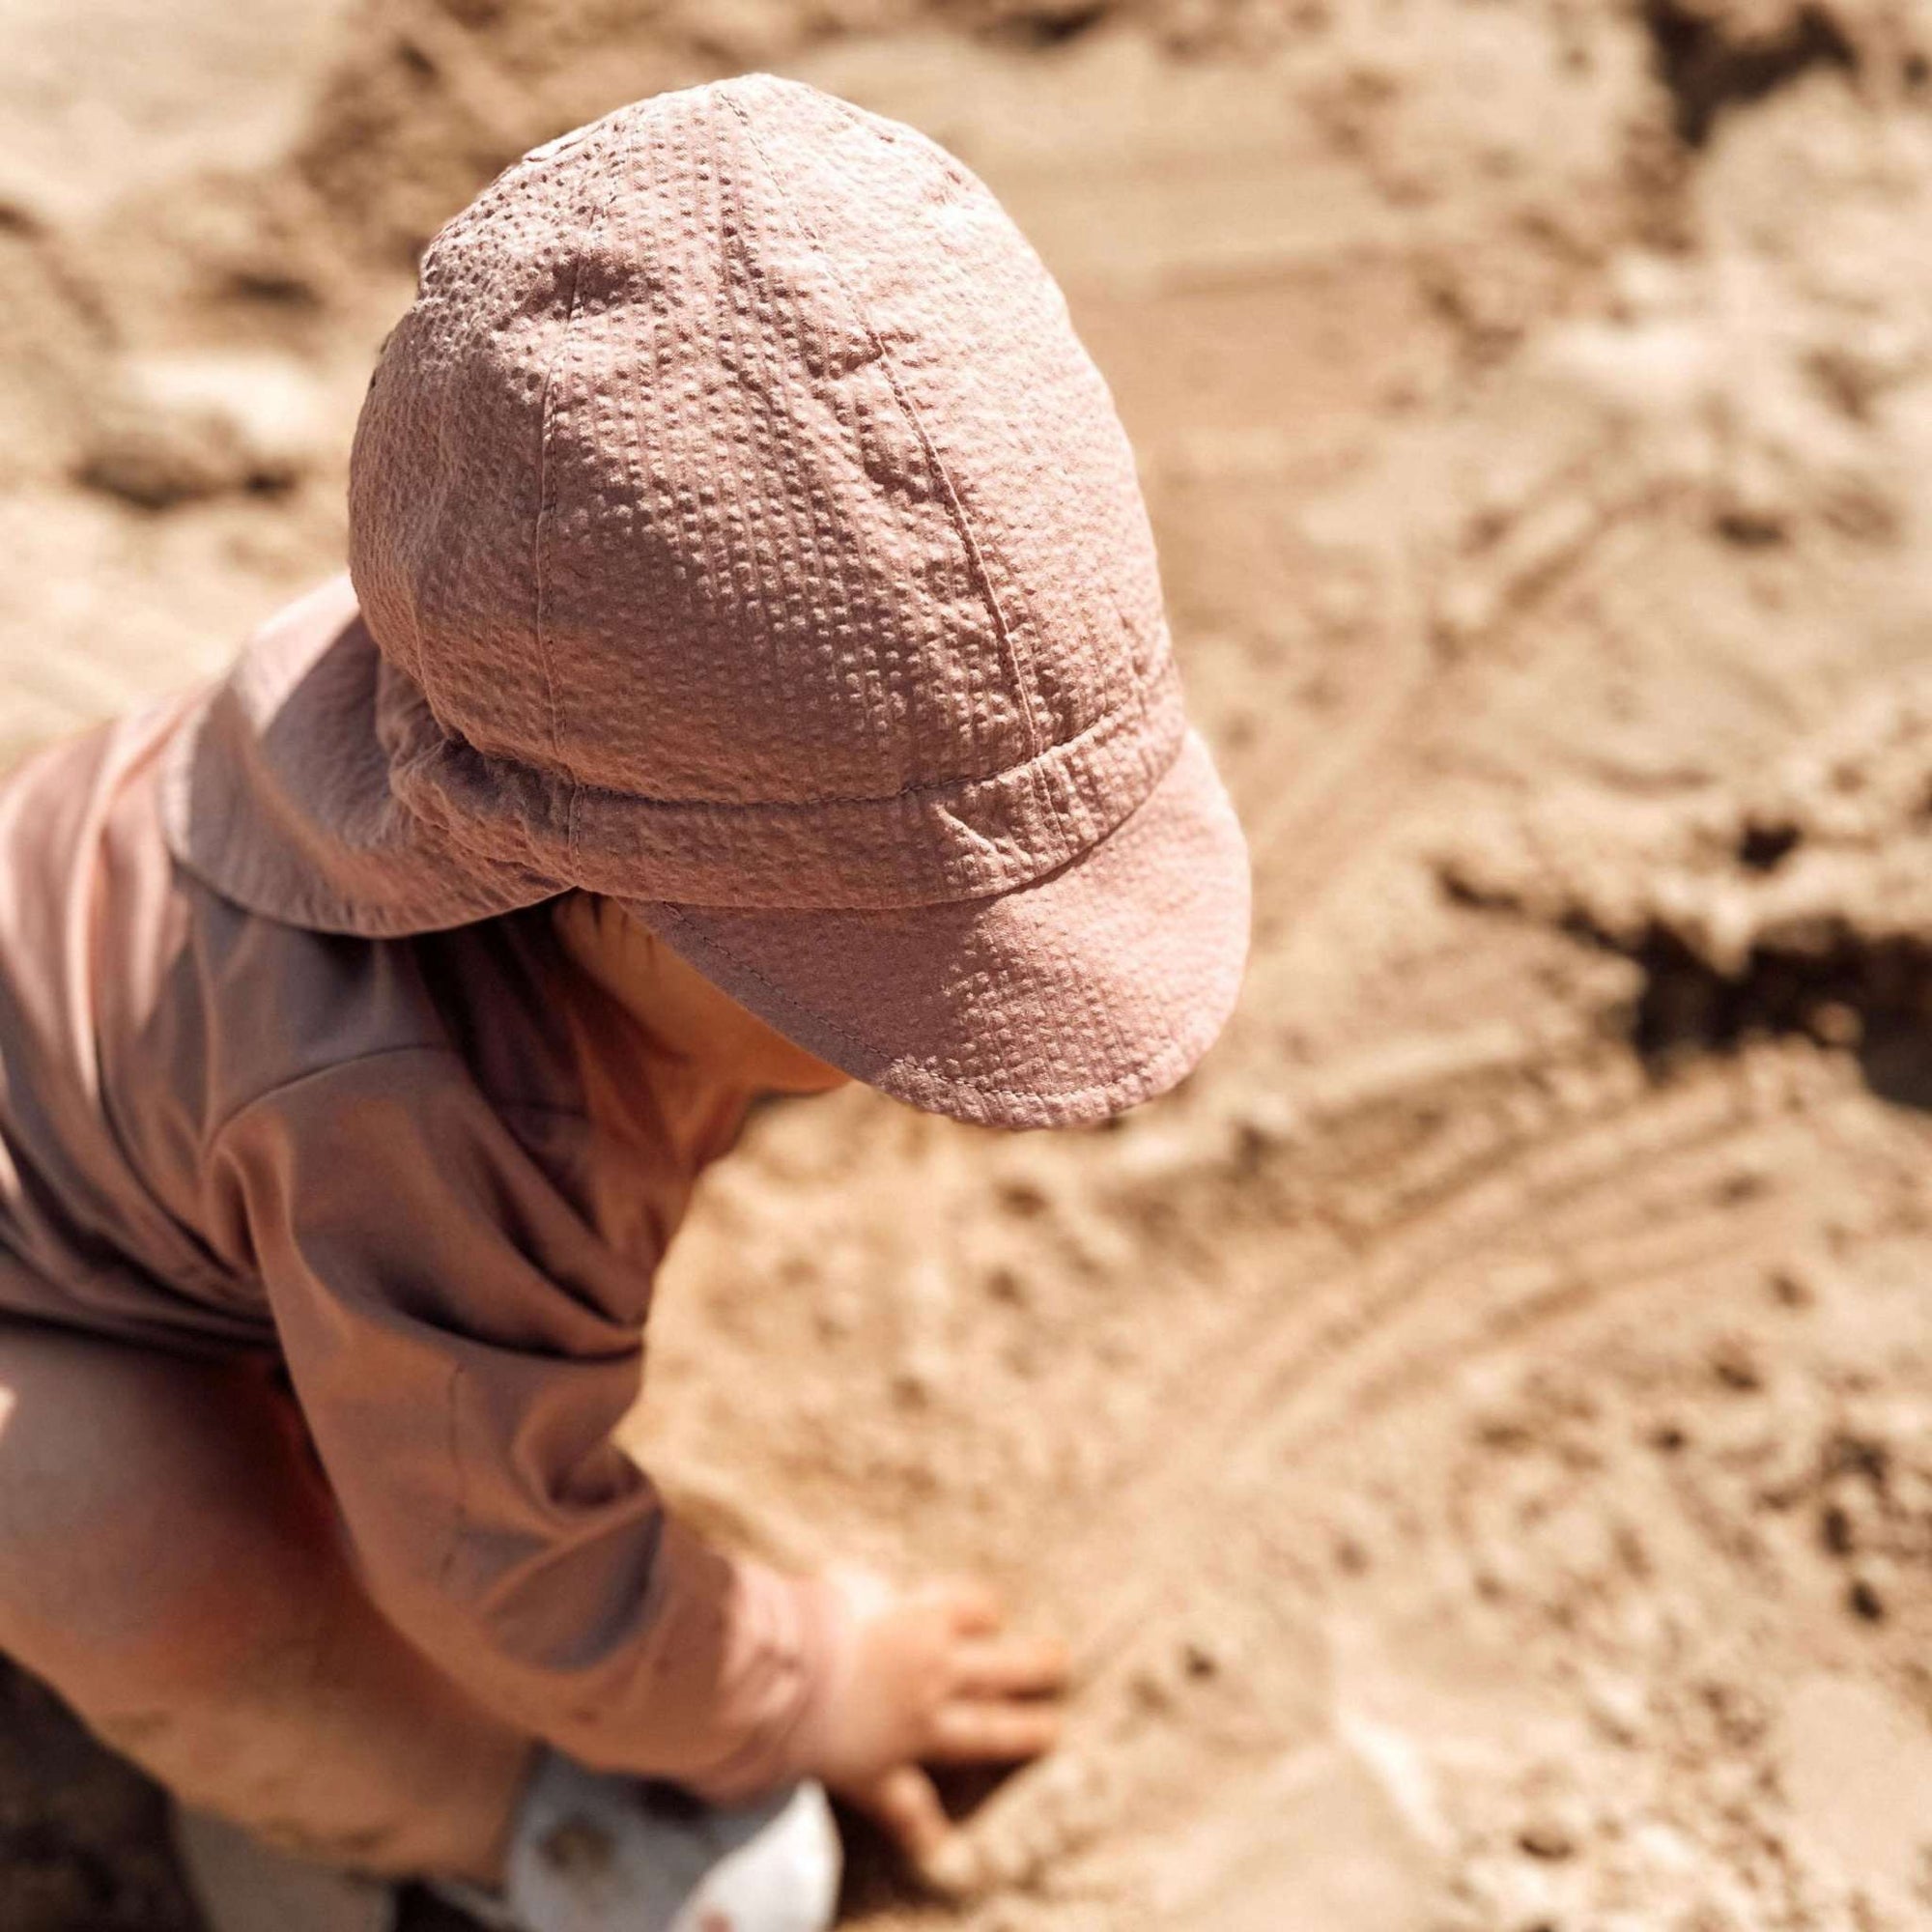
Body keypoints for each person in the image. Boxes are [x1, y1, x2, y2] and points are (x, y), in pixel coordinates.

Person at [0, 72, 1250, 1931]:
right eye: (871, 986)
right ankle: (470, 1809)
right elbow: (506, 1567)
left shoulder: (485, 666)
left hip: (211, 1178)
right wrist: (797, 1686)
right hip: (52, 1317)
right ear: (599, 890)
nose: (906, 1058)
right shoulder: (447, 1127)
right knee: (148, 1578)